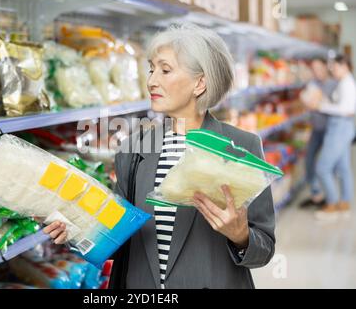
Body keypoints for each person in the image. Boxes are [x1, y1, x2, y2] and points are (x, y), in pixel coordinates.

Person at [44, 23, 276, 289]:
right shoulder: (134, 149)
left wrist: (242, 236)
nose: (152, 80)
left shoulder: (240, 147)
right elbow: (120, 239)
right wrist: (75, 230)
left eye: (165, 70)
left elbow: (264, 249)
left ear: (200, 83)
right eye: (152, 69)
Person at [312, 55, 356, 220]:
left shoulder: (347, 84)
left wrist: (321, 106)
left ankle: (331, 203)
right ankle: (344, 202)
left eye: (335, 67)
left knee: (322, 167)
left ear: (344, 66)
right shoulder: (344, 82)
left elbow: (346, 109)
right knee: (343, 168)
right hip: (342, 128)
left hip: (340, 128)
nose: (332, 71)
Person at [299, 58, 338, 209]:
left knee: (326, 165)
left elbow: (312, 102)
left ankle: (330, 198)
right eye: (313, 69)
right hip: (316, 129)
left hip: (330, 131)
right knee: (309, 161)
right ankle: (316, 195)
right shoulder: (313, 83)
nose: (316, 71)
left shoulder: (332, 84)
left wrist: (309, 98)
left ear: (325, 67)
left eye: (318, 68)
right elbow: (306, 102)